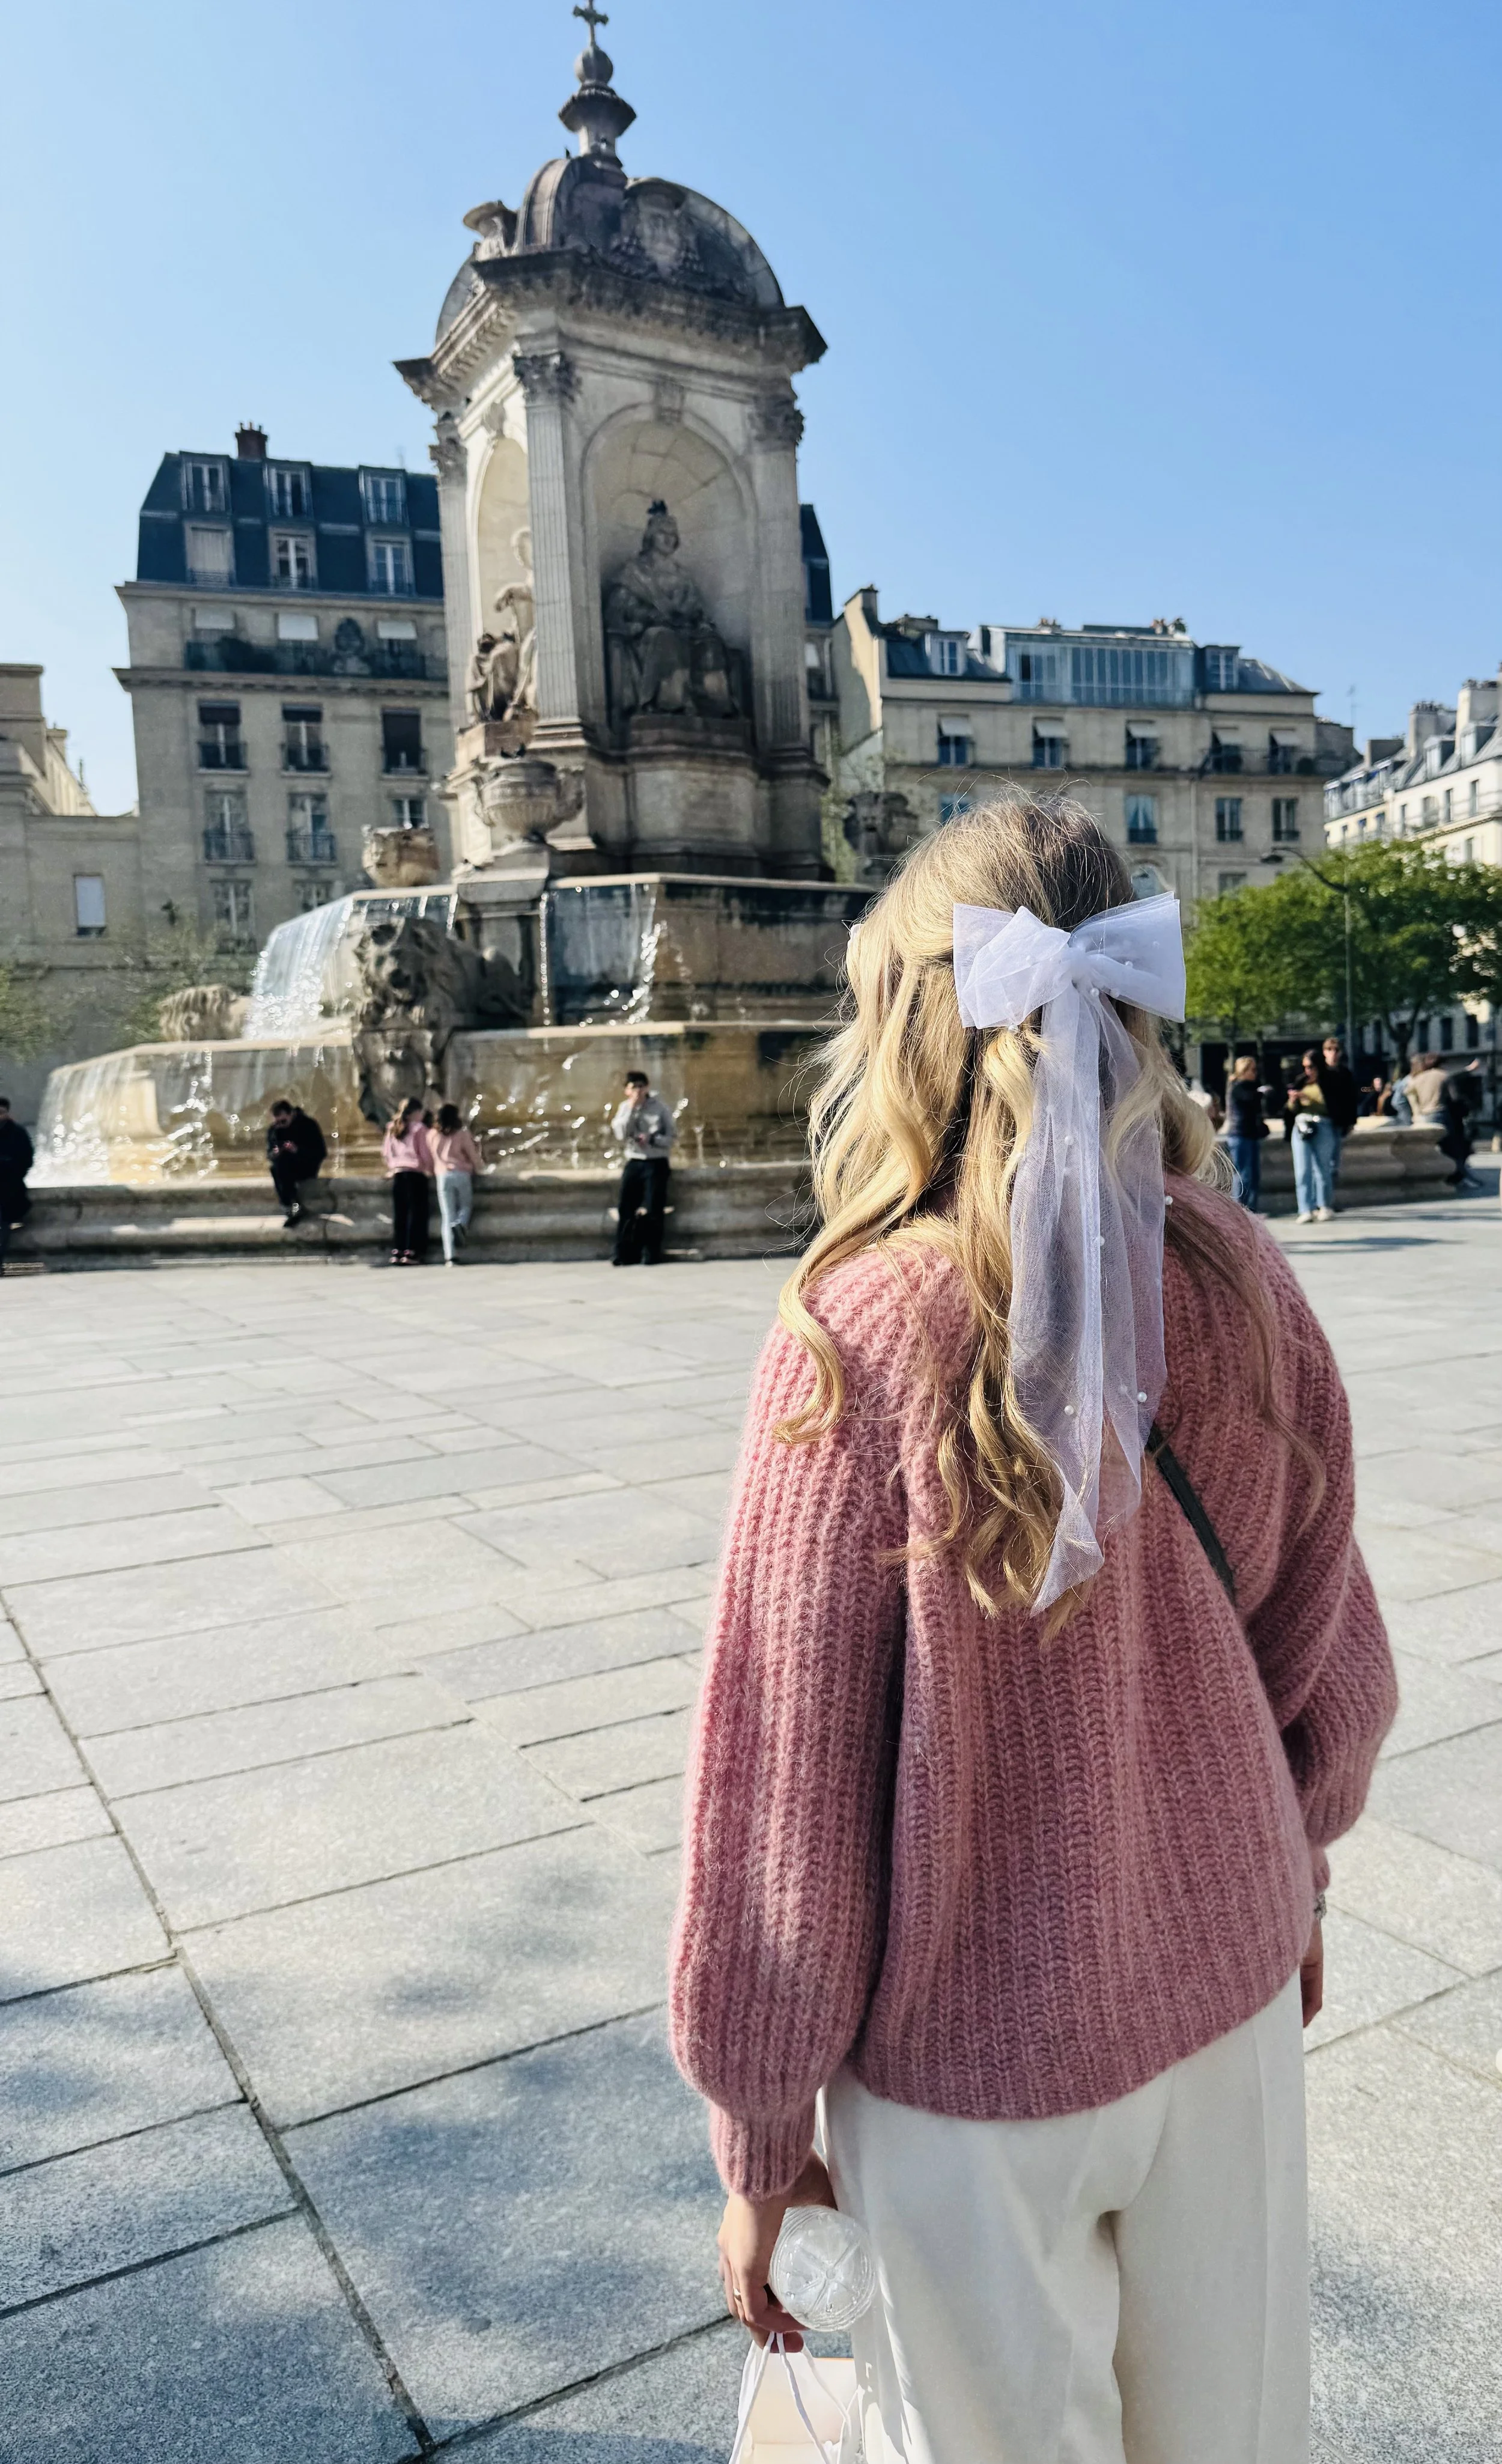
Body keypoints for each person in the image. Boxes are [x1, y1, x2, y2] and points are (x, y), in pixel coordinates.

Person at [670, 798, 1396, 2464]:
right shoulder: (1238, 1272)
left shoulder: (854, 1333)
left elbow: (783, 1793)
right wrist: (1294, 1871)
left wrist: (758, 2129)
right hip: (1227, 1987)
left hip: (965, 2066)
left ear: (905, 1022)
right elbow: (1328, 1656)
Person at [611, 1070, 675, 1265]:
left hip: (656, 1162)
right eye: (634, 1087)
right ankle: (624, 1253)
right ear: (626, 1091)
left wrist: (653, 1139)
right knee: (626, 1207)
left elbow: (672, 1137)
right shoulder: (624, 1108)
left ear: (647, 1088)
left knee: (654, 1207)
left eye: (641, 1086)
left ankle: (651, 1252)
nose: (638, 1091)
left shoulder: (661, 1108)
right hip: (635, 1161)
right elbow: (620, 1134)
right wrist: (632, 1109)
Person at [1286, 1049, 1338, 1221]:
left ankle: (1324, 1206)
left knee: (1323, 1168)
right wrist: (1293, 1100)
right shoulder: (1301, 1081)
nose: (1308, 1071)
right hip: (1302, 1126)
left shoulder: (1329, 1080)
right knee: (1302, 1169)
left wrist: (1309, 1098)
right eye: (1305, 1067)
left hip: (1322, 1124)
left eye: (1311, 1067)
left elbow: (1333, 1105)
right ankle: (1305, 1209)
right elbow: (1291, 1110)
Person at [381, 1097, 434, 1264]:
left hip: (398, 1174)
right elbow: (424, 1153)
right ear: (415, 1113)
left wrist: (392, 1167)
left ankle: (398, 1250)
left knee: (401, 1214)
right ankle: (413, 1251)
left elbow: (386, 1152)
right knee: (417, 1214)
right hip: (415, 1174)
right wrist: (430, 1169)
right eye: (421, 1112)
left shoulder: (392, 1127)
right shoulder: (419, 1129)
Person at [264, 1098, 327, 1228]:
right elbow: (269, 1154)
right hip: (285, 1168)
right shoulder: (274, 1130)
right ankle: (291, 1206)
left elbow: (321, 1153)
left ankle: (292, 1206)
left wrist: (297, 1150)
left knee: (282, 1165)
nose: (281, 1125)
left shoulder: (308, 1125)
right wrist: (275, 1153)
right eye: (277, 1122)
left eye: (283, 1121)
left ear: (292, 1114)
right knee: (277, 1167)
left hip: (306, 1166)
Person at [432, 1103, 481, 1264]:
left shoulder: (432, 1135)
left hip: (442, 1176)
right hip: (461, 1174)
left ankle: (450, 1256)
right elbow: (473, 1155)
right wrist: (479, 1168)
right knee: (466, 1206)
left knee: (447, 1216)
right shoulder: (462, 1134)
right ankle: (461, 1224)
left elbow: (430, 1156)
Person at [1224, 1054, 1267, 1210]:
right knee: (1243, 1175)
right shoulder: (1238, 1087)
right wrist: (1261, 1093)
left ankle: (1251, 1209)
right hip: (1240, 1134)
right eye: (1252, 1070)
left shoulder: (1251, 1087)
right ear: (1244, 1071)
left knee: (1254, 1176)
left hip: (1251, 1135)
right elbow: (1248, 1098)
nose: (1255, 1073)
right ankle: (1239, 1209)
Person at [1319, 1036, 1361, 1180]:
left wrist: (1351, 1121)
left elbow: (1351, 1098)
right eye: (1330, 1050)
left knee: (1334, 1156)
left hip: (1338, 1120)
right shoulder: (1320, 1072)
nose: (1333, 1053)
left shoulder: (1345, 1073)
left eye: (1336, 1050)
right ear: (1324, 1052)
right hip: (1323, 1117)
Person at [0, 1097, 34, 1274]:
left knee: (3, 1225)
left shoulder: (18, 1133)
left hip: (10, 1188)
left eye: (1, 1113)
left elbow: (27, 1159)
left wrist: (11, 1169)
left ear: (7, 1113)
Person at [1438, 1060, 1484, 1190]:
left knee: (1456, 1151)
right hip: (1454, 1124)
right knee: (1458, 1151)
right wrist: (1468, 1069)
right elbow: (1454, 1080)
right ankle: (1459, 1177)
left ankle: (1460, 1176)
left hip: (1451, 1122)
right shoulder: (1446, 1083)